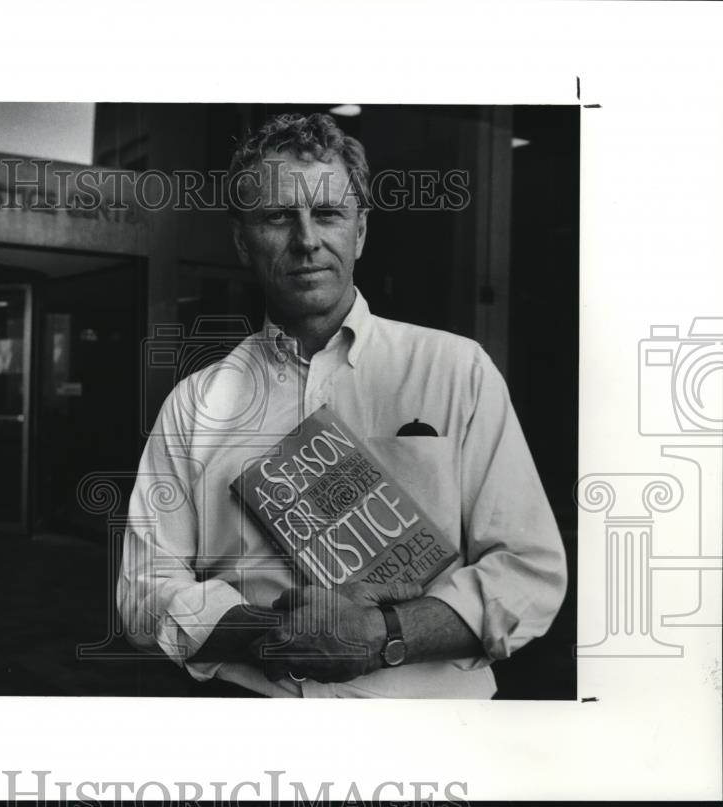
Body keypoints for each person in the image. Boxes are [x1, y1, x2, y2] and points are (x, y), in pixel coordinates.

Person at [116, 112, 567, 698]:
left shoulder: (458, 372)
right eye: (278, 216)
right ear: (241, 240)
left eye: (328, 214)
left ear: (359, 232)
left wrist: (381, 635)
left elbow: (528, 573)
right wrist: (278, 635)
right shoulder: (195, 403)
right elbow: (144, 589)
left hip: (429, 736)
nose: (307, 241)